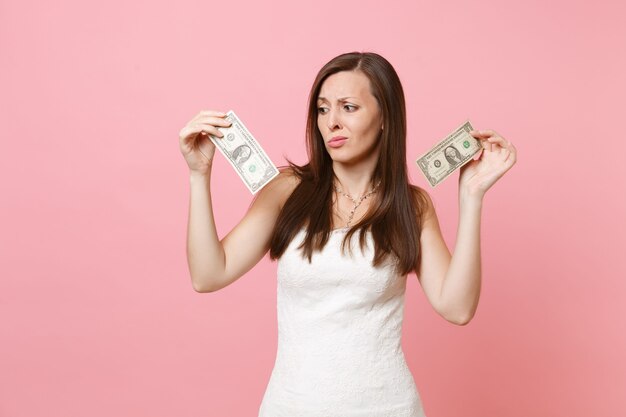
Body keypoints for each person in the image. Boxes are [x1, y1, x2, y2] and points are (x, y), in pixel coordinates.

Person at [178, 51, 517, 417]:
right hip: (293, 406)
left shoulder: (411, 205)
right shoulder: (286, 190)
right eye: (323, 110)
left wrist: (471, 197)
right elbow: (208, 275)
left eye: (348, 107)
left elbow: (457, 307)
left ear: (385, 116)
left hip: (388, 407)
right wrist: (199, 176)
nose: (331, 123)